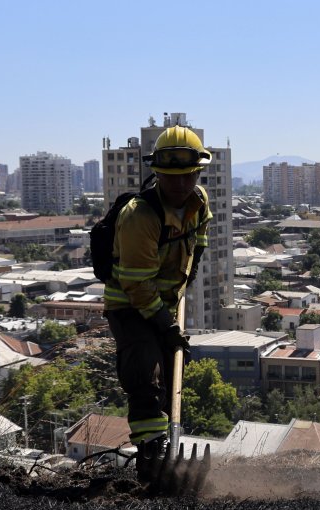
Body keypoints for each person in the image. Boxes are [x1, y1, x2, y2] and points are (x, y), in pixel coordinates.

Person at [103, 125, 212, 479]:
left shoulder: (199, 201)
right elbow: (136, 286)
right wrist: (165, 325)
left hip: (164, 304)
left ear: (198, 171)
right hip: (130, 306)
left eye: (187, 176)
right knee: (145, 376)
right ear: (158, 173)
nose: (180, 185)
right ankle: (152, 462)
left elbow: (201, 241)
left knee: (168, 380)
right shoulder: (140, 216)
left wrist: (187, 278)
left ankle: (166, 456)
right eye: (170, 177)